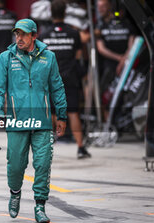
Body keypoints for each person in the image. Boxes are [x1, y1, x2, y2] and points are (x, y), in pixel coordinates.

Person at [0, 19, 67, 223]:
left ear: (34, 35)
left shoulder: (49, 57)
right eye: (17, 34)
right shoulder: (6, 58)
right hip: (17, 121)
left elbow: (57, 87)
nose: (19, 38)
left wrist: (61, 114)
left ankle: (40, 205)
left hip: (43, 122)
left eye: (23, 34)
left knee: (43, 164)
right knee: (16, 165)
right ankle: (15, 193)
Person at [40, 0, 91, 159]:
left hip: (51, 78)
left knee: (52, 112)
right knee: (73, 112)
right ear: (65, 12)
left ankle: (52, 141)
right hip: (70, 77)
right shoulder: (74, 33)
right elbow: (78, 55)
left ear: (50, 12)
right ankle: (81, 148)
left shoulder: (44, 34)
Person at [95, 0, 135, 117]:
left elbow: (133, 46)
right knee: (105, 95)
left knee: (122, 95)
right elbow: (100, 48)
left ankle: (115, 123)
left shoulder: (127, 24)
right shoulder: (102, 26)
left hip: (125, 66)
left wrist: (122, 60)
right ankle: (108, 123)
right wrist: (121, 59)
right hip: (113, 67)